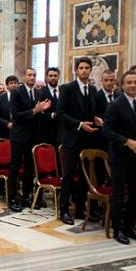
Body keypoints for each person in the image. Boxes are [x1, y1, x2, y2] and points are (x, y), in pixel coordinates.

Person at [103, 71, 136, 245]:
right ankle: (118, 230)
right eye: (129, 82)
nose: (133, 85)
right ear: (122, 85)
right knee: (119, 193)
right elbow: (107, 131)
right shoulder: (115, 105)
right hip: (120, 155)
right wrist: (127, 141)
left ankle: (130, 227)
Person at [57, 57, 101, 225]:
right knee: (68, 175)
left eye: (86, 68)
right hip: (71, 138)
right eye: (81, 68)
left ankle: (81, 209)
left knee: (85, 176)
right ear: (76, 70)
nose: (84, 70)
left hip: (88, 138)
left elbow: (92, 112)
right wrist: (79, 124)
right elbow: (61, 113)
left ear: (90, 70)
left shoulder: (93, 90)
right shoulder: (67, 88)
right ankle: (64, 210)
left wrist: (96, 119)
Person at [8, 68, 49, 211]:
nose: (32, 77)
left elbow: (39, 116)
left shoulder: (39, 93)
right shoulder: (16, 92)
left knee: (29, 169)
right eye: (29, 75)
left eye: (34, 75)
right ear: (24, 77)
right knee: (15, 167)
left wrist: (43, 110)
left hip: (33, 136)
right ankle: (12, 198)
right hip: (19, 136)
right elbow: (16, 115)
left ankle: (26, 196)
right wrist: (34, 111)